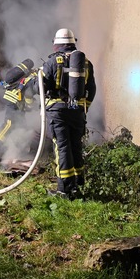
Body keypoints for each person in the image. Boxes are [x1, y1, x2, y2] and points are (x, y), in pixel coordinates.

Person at [41, 28, 96, 199]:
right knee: (75, 146)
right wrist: (84, 107)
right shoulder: (85, 63)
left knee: (62, 147)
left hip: (57, 112)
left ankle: (64, 189)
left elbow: (41, 87)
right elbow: (92, 89)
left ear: (57, 44)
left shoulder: (52, 62)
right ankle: (77, 185)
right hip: (77, 112)